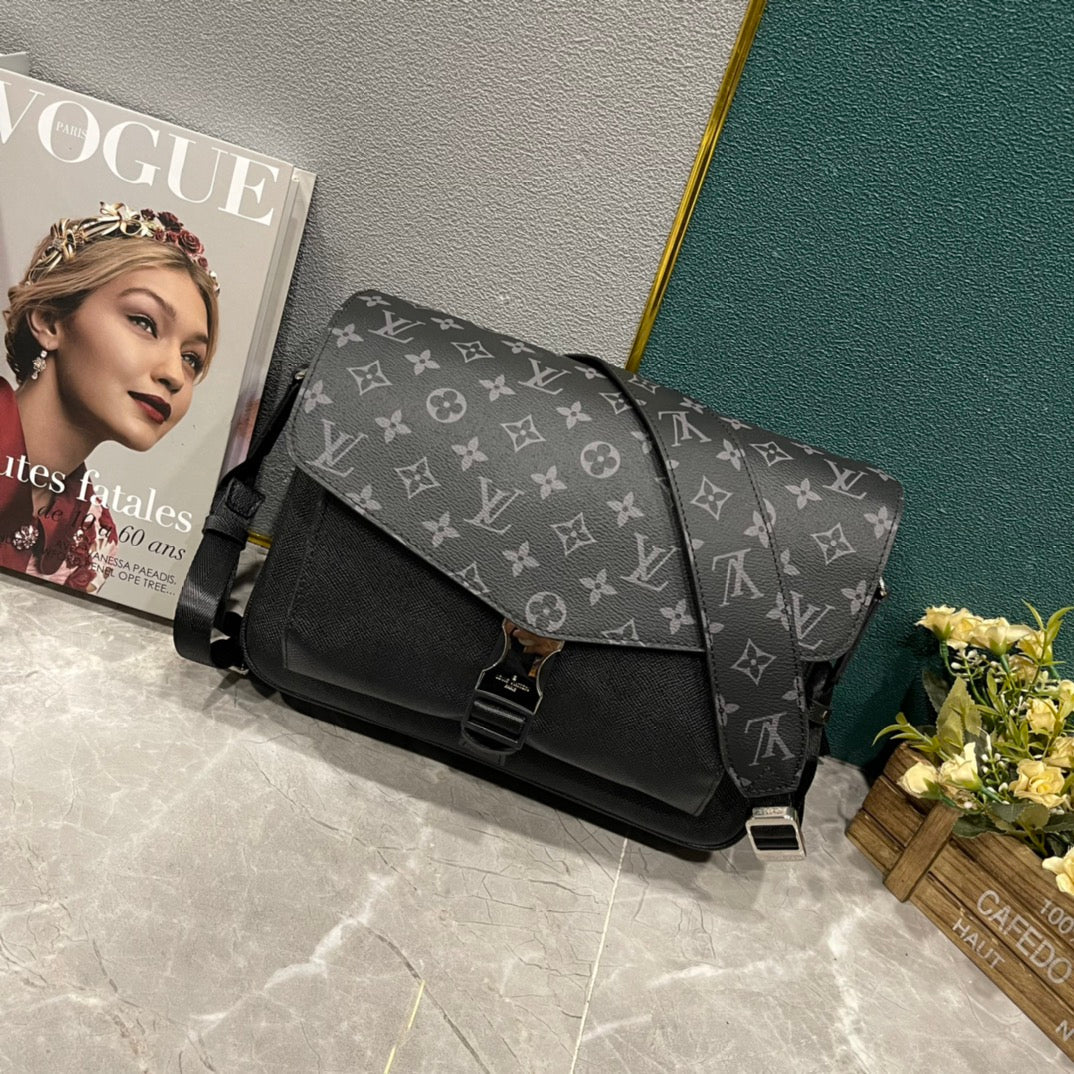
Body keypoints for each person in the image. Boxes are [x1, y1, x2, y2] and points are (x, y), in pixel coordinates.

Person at [0, 202, 220, 593]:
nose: (174, 375)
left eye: (191, 359)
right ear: (49, 319)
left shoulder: (93, 540)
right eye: (144, 323)